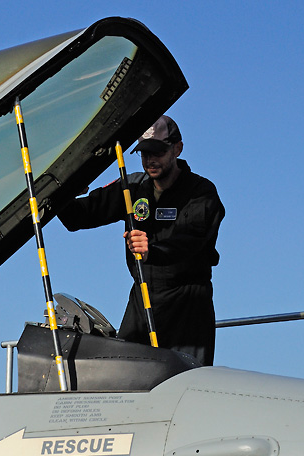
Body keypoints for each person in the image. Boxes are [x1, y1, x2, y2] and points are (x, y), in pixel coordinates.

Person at [57, 115, 224, 366]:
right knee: (125, 376)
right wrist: (63, 192)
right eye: (144, 153)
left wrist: (153, 251)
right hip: (142, 299)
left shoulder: (201, 192)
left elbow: (191, 241)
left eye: (158, 152)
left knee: (186, 383)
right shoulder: (133, 187)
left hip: (187, 305)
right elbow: (77, 218)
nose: (150, 160)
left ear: (177, 148)